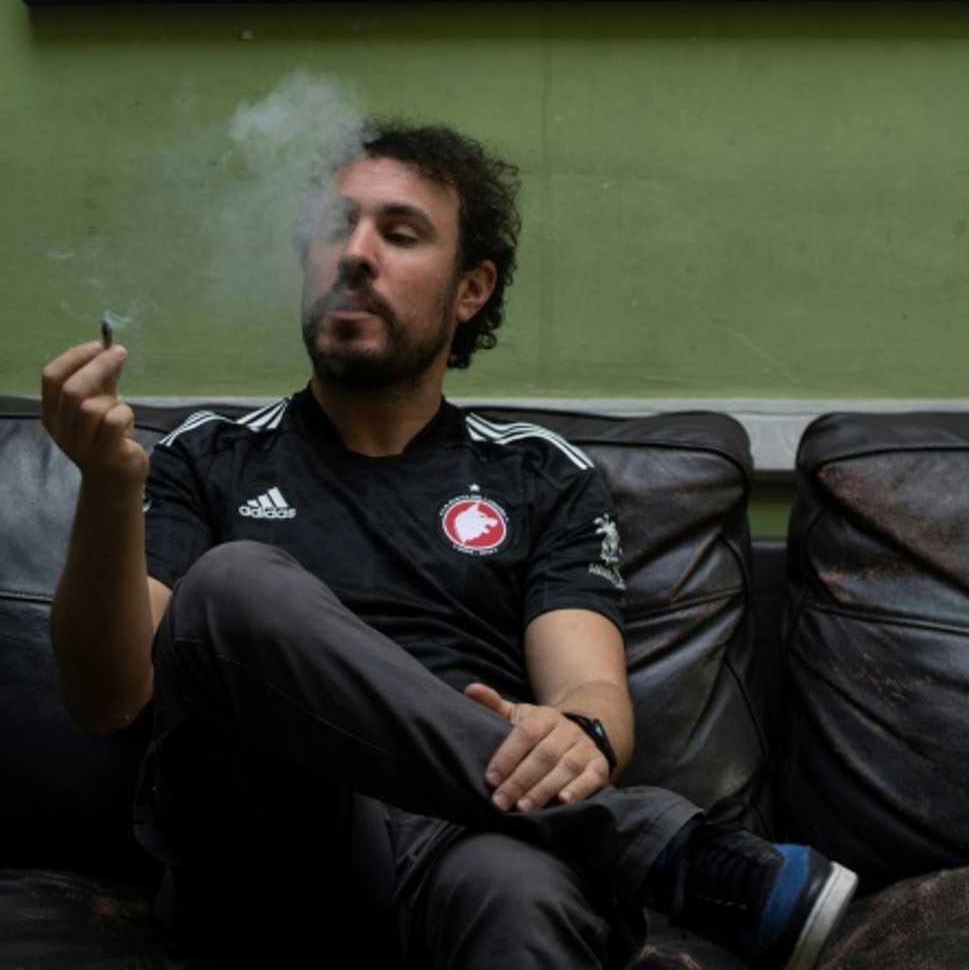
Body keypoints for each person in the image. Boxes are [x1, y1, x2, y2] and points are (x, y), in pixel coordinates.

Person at [41, 120, 856, 969]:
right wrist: (107, 484)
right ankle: (657, 848)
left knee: (527, 897)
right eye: (334, 228)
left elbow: (588, 689)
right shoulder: (208, 456)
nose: (356, 254)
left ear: (471, 289)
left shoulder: (540, 476)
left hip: (470, 831)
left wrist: (576, 735)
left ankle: (613, 840)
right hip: (268, 833)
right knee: (233, 586)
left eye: (399, 233)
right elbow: (107, 700)